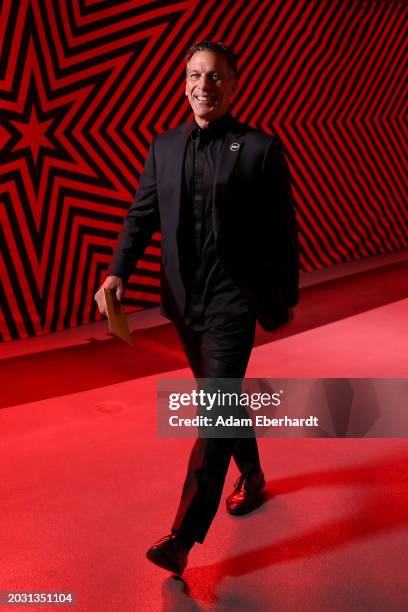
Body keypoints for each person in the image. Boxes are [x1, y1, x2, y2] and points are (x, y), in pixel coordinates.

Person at [94, 40, 299, 575]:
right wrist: (118, 270)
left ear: (234, 85)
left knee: (213, 409)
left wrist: (281, 298)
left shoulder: (259, 149)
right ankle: (252, 474)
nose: (203, 86)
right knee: (222, 400)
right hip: (185, 303)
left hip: (235, 303)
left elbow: (282, 235)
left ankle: (183, 537)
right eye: (194, 75)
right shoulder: (163, 148)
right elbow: (141, 216)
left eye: (214, 77)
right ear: (184, 82)